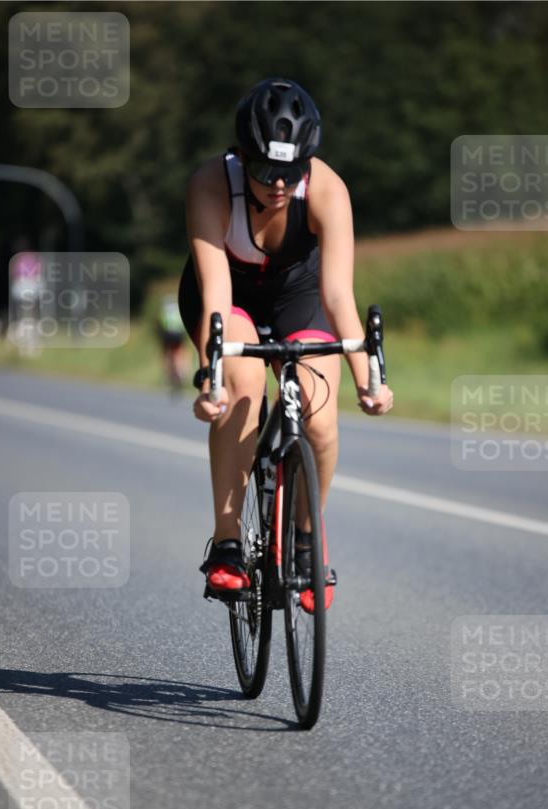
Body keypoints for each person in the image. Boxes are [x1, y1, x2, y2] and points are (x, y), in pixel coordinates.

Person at [178, 77, 394, 607]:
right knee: (245, 385)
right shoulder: (210, 184)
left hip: (302, 293)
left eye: (290, 171)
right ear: (241, 156)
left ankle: (304, 539)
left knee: (319, 416)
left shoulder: (326, 188)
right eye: (264, 170)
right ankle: (228, 542)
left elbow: (340, 295)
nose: (278, 185)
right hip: (229, 294)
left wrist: (370, 381)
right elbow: (215, 295)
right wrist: (212, 378)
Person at [156, 293, 187, 393]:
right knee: (178, 353)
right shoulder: (178, 310)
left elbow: (160, 325)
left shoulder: (164, 311)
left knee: (166, 355)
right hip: (179, 335)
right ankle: (180, 372)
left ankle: (169, 376)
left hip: (167, 335)